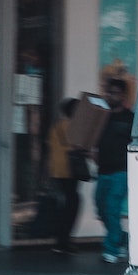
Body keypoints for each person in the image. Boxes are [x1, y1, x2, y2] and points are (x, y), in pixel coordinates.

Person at [93, 77, 133, 265]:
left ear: (123, 95)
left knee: (112, 208)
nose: (110, 96)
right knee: (101, 207)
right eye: (108, 92)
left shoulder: (130, 118)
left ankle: (111, 250)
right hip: (103, 170)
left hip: (121, 170)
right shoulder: (101, 116)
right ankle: (121, 237)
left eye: (114, 93)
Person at [47, 97, 85, 255]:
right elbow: (79, 146)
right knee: (72, 205)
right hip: (69, 171)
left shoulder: (56, 127)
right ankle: (64, 241)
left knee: (65, 205)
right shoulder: (73, 127)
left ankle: (60, 240)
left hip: (56, 171)